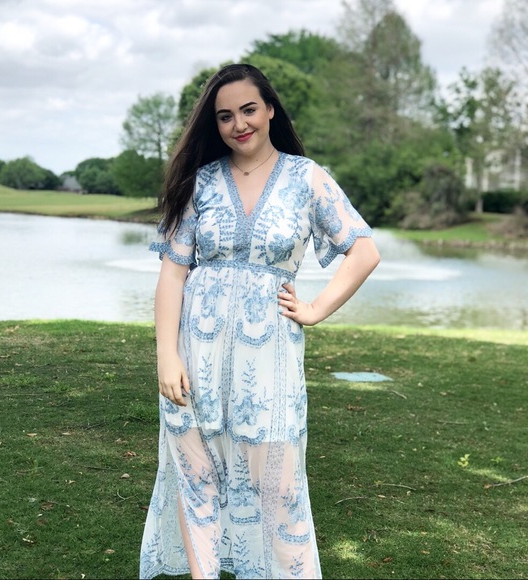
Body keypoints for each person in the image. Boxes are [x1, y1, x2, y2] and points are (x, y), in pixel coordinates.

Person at [139, 63, 380, 580]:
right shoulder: (200, 183)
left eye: (248, 109)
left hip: (269, 360)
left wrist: (315, 309)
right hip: (194, 358)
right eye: (225, 116)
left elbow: (363, 251)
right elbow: (172, 274)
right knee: (197, 481)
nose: (238, 124)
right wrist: (166, 355)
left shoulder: (306, 178)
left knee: (280, 488)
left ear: (270, 109)